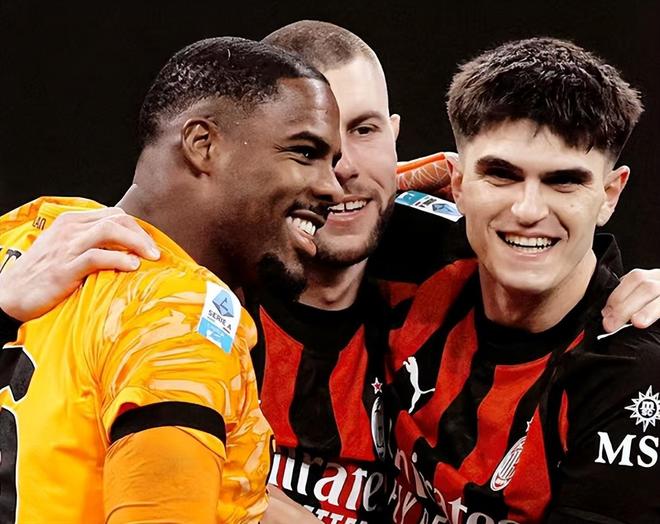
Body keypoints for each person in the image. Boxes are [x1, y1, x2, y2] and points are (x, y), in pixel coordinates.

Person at [3, 22, 660, 524]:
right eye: (307, 148)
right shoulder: (160, 285)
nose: (337, 173)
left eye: (364, 131)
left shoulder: (450, 251)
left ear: (399, 141)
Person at [0, 36, 344, 523]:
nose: (333, 187)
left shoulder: (25, 232)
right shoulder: (184, 314)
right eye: (305, 152)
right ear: (203, 144)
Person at [385, 37, 660, 523]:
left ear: (610, 194)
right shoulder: (409, 250)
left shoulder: (631, 369)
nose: (528, 210)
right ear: (457, 183)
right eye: (501, 175)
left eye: (564, 181)